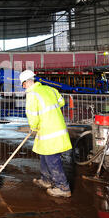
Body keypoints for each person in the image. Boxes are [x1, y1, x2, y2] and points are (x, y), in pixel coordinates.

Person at [20, 69, 72, 198]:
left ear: (26, 83)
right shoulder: (49, 89)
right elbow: (62, 102)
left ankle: (63, 188)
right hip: (56, 126)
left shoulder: (32, 94)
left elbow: (32, 115)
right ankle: (46, 180)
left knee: (52, 159)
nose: (23, 87)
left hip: (49, 130)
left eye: (23, 84)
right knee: (44, 154)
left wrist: (33, 127)